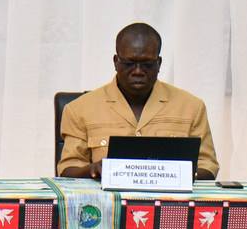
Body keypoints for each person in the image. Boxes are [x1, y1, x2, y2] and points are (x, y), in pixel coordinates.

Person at [58, 23, 219, 180]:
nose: (138, 71)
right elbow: (68, 169)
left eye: (147, 64)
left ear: (159, 63)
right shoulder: (79, 109)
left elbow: (207, 166)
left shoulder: (191, 107)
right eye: (129, 63)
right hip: (106, 198)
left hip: (171, 198)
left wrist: (173, 175)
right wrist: (92, 170)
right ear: (116, 62)